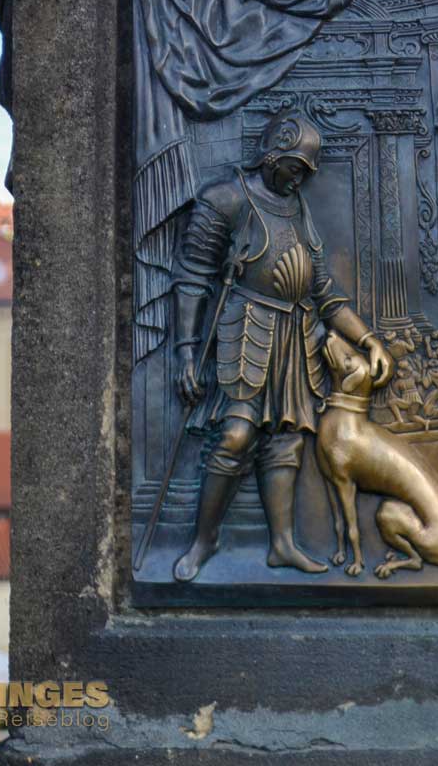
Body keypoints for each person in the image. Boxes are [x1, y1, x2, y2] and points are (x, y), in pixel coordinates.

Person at [171, 113, 393, 582]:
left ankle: (282, 544)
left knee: (286, 440)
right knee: (235, 435)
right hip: (244, 328)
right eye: (296, 168)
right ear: (274, 155)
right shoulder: (226, 199)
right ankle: (204, 539)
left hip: (294, 337)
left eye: (307, 172)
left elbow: (325, 291)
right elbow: (192, 275)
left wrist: (368, 340)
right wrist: (186, 350)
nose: (301, 179)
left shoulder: (298, 209)